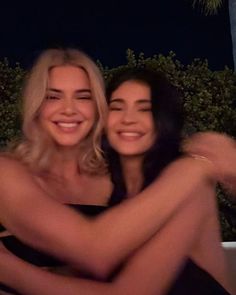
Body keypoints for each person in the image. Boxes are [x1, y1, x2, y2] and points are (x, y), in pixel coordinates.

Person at [0, 54, 234, 294]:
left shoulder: (169, 178)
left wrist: (8, 268)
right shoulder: (11, 174)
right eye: (53, 96)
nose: (68, 109)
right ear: (36, 104)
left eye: (83, 96)